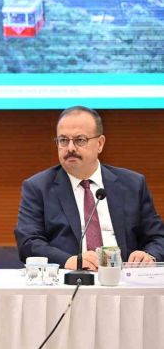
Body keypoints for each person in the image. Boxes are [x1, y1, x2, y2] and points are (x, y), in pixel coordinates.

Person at [15, 106, 164, 269]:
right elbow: (28, 243)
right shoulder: (38, 187)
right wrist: (68, 260)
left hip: (124, 277)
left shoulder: (132, 184)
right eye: (63, 140)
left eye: (80, 140)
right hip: (70, 278)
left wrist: (150, 255)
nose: (70, 148)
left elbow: (158, 238)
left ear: (100, 144)